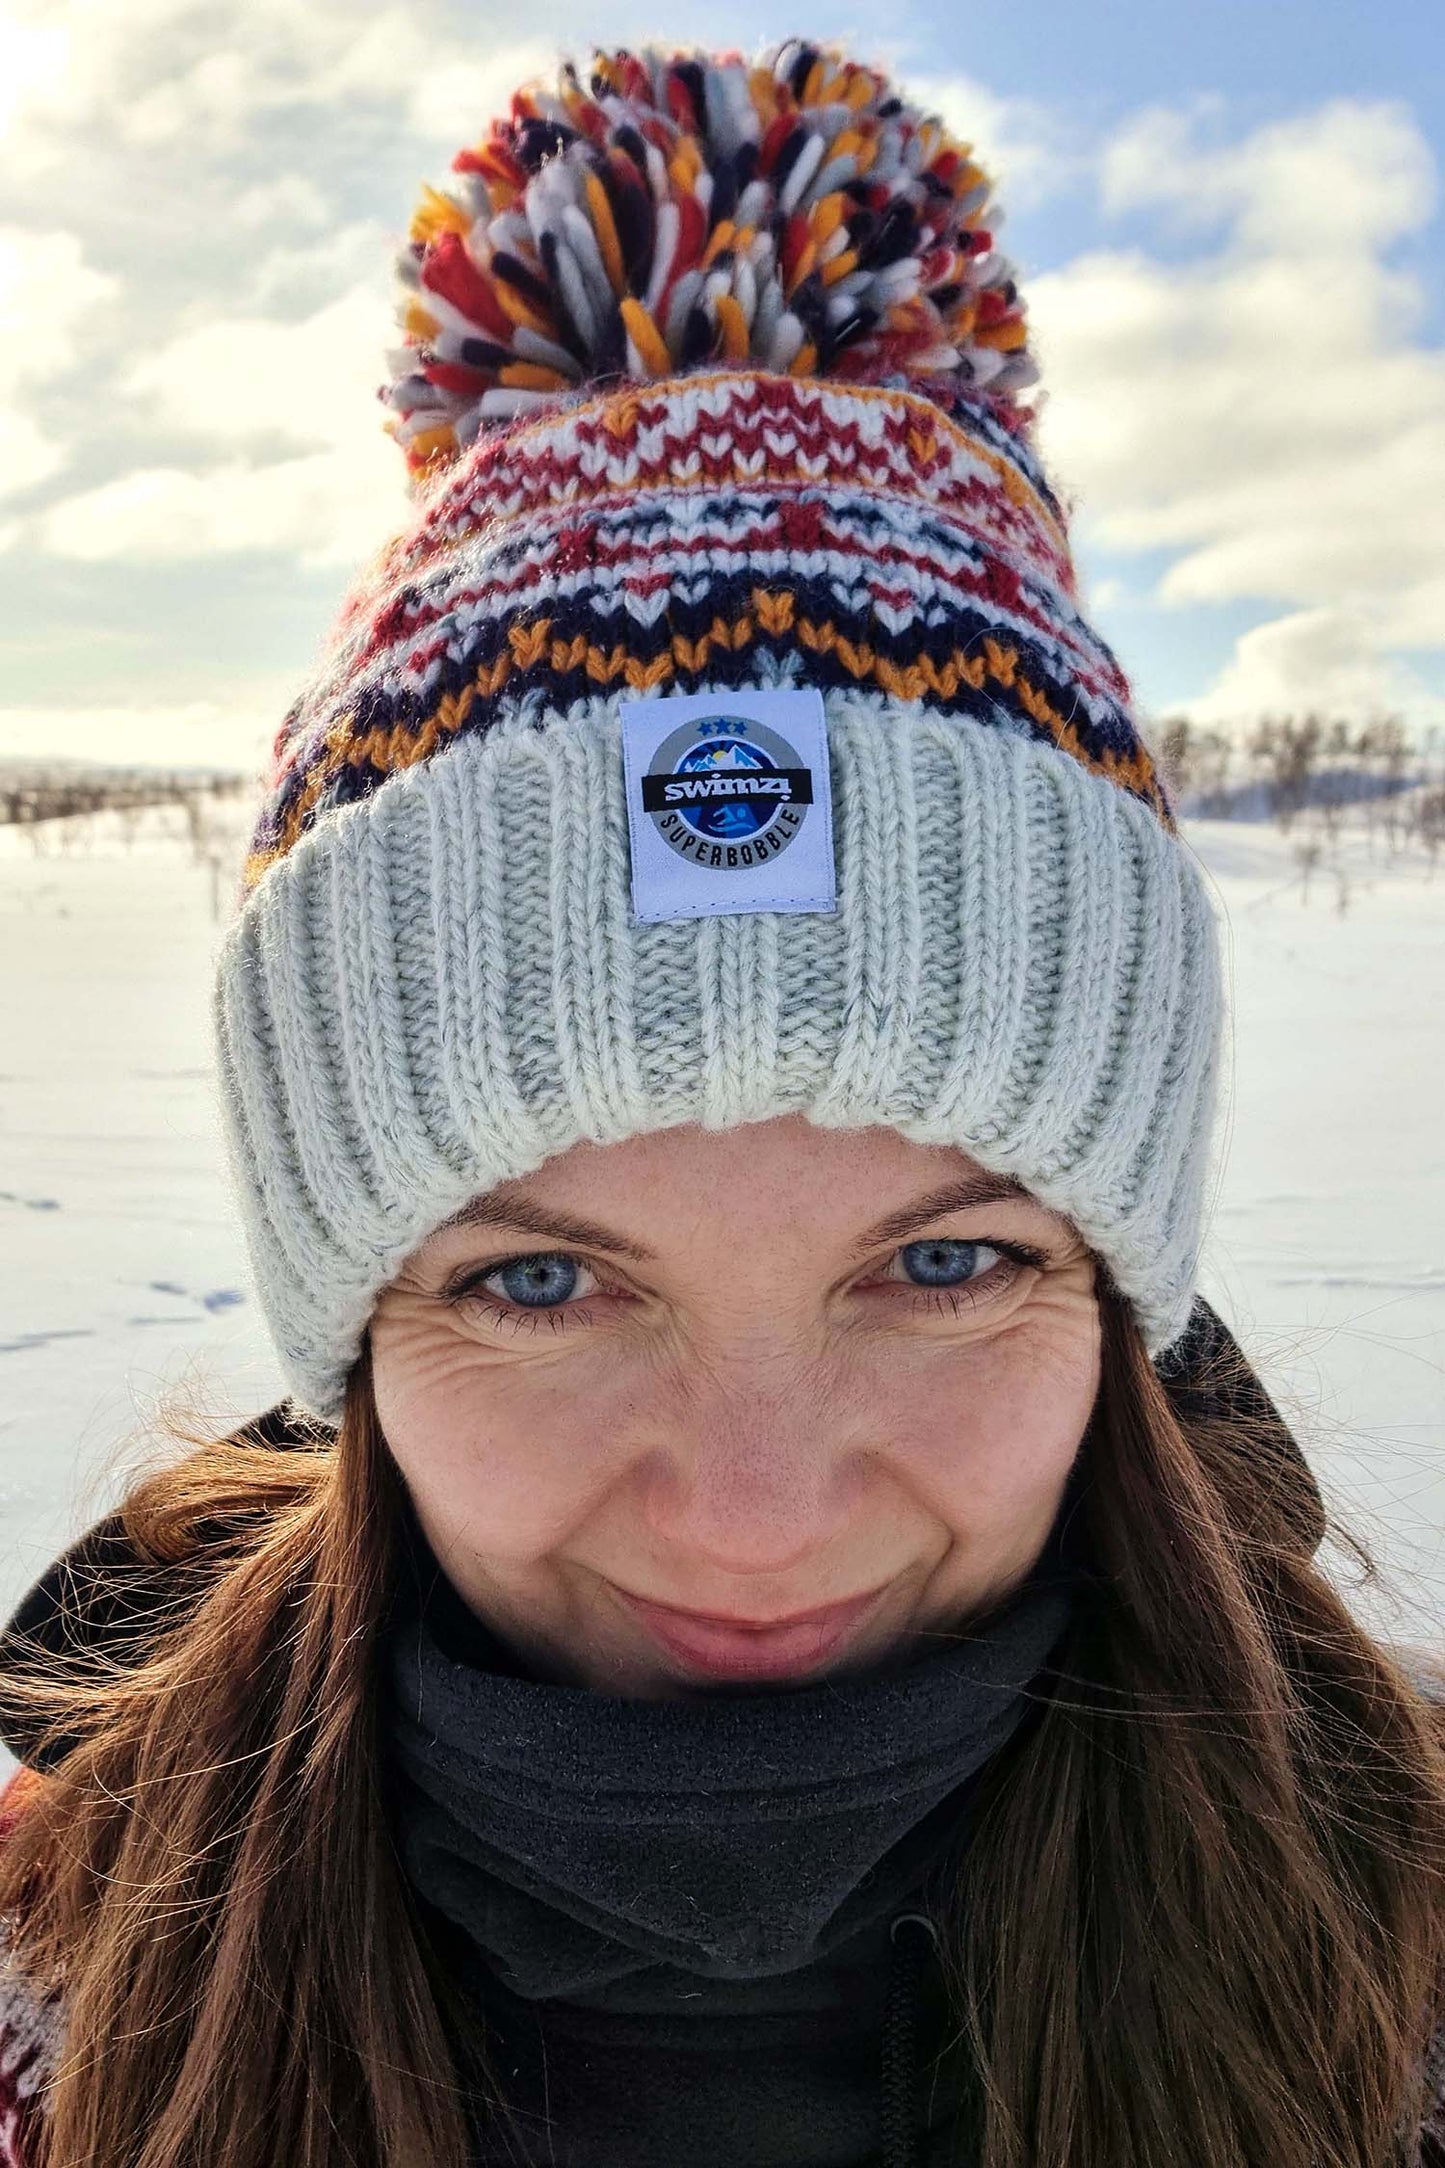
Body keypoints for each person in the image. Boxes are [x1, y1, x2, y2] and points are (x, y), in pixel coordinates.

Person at [0, 37, 1442, 2168]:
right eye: (545, 1279)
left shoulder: (1397, 1992)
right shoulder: (59, 1985)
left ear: (1124, 1289)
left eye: (946, 1259)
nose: (754, 1520)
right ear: (353, 1316)